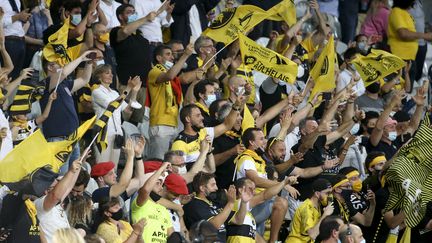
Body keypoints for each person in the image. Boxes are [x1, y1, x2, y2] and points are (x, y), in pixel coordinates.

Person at [40, 50, 96, 174]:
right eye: (58, 63)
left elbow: (85, 79)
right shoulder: (45, 84)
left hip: (73, 139)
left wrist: (89, 63)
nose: (62, 64)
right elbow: (64, 72)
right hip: (58, 140)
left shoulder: (64, 84)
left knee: (72, 177)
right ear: (50, 66)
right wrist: (81, 57)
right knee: (60, 178)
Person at [147, 43, 193, 159]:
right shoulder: (154, 71)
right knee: (158, 162)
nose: (172, 57)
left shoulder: (173, 77)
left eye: (172, 55)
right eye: (168, 54)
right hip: (160, 123)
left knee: (173, 163)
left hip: (174, 123)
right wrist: (185, 56)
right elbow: (169, 75)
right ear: (159, 58)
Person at [171, 96, 243, 167]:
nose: (202, 118)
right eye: (198, 115)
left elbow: (227, 125)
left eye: (201, 115)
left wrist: (235, 106)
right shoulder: (179, 144)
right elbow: (178, 173)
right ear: (188, 119)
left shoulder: (204, 132)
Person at [91, 64, 140, 167]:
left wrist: (134, 92)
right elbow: (113, 105)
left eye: (112, 73)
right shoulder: (96, 92)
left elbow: (128, 110)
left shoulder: (114, 93)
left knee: (113, 167)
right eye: (107, 73)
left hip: (117, 133)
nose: (111, 75)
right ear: (99, 76)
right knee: (103, 167)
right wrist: (128, 88)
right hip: (103, 134)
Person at [183, 172, 248, 242]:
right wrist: (230, 203)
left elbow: (238, 220)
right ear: (202, 188)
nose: (216, 188)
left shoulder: (215, 203)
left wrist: (244, 202)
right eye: (213, 185)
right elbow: (213, 226)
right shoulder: (194, 205)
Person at [34, 159, 83, 243]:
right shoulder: (39, 203)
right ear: (45, 190)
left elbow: (69, 186)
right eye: (54, 185)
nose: (57, 182)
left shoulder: (55, 203)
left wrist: (80, 162)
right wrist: (71, 171)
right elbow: (55, 196)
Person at [91, 138, 145, 204]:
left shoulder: (118, 190)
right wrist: (130, 157)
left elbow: (139, 180)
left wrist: (138, 155)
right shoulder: (98, 193)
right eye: (111, 174)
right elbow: (123, 184)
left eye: (114, 173)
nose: (115, 176)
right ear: (100, 178)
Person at [131, 162, 174, 242]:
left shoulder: (163, 209)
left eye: (162, 184)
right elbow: (146, 189)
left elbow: (173, 236)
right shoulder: (139, 203)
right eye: (158, 183)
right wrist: (161, 169)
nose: (161, 187)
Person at [286, 178, 335, 243]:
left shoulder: (318, 206)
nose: (330, 196)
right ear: (317, 194)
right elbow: (312, 235)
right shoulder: (307, 208)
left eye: (331, 193)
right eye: (327, 193)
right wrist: (325, 214)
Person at [0, 0, 31, 79]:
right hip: (8, 40)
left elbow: (16, 20)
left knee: (17, 77)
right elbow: (1, 22)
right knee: (6, 77)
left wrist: (23, 18)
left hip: (21, 40)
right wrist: (18, 16)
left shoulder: (17, 1)